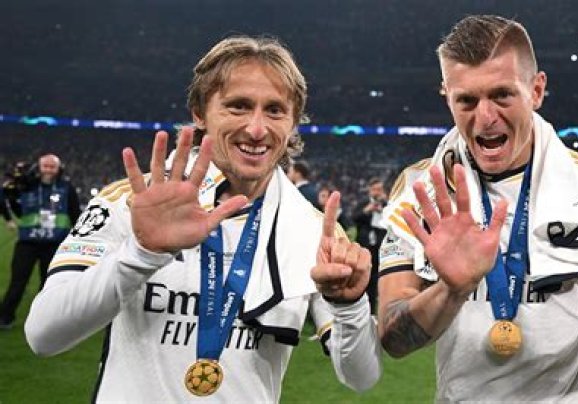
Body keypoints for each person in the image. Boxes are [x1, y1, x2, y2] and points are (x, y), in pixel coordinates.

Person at [24, 36, 381, 402]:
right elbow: (43, 335)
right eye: (238, 106)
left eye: (275, 110)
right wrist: (141, 254)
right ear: (199, 112)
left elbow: (362, 377)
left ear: (292, 122)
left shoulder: (313, 230)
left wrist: (351, 305)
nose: (257, 129)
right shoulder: (131, 203)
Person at [378, 15, 578, 403]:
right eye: (466, 100)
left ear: (536, 90)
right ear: (447, 96)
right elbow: (393, 339)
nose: (485, 118)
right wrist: (451, 291)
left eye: (502, 95)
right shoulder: (418, 190)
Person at [0, 154, 81, 329]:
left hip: (55, 243)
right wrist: (8, 217)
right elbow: (9, 200)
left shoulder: (66, 187)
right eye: (45, 166)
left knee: (49, 284)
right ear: (38, 167)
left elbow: (75, 213)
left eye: (52, 166)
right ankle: (5, 317)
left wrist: (79, 238)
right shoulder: (26, 186)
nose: (48, 170)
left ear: (59, 168)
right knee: (18, 281)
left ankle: (44, 319)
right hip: (27, 242)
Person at [352, 178, 388, 313]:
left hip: (381, 247)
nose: (377, 192)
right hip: (365, 246)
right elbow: (354, 218)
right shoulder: (363, 203)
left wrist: (385, 206)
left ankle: (372, 310)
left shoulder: (388, 205)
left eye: (379, 189)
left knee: (376, 279)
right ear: (369, 190)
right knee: (362, 276)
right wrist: (367, 210)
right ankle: (359, 307)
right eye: (374, 189)